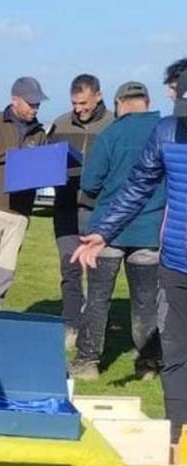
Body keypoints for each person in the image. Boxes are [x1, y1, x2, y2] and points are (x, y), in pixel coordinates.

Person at [75, 67, 187, 444]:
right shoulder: (166, 132)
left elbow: (103, 184)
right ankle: (178, 443)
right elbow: (138, 186)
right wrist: (103, 231)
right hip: (174, 260)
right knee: (176, 352)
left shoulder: (127, 131)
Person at [69, 82, 164, 381]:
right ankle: (148, 364)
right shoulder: (168, 133)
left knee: (97, 298)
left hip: (106, 233)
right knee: (146, 302)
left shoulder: (111, 133)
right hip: (150, 231)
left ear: (119, 103)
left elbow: (90, 183)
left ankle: (88, 363)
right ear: (147, 102)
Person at [0, 76, 49, 309]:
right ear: (15, 100)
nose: (35, 108)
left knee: (5, 273)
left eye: (38, 104)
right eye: (31, 103)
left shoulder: (40, 134)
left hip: (20, 213)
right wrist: (15, 155)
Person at [48, 74, 114, 347]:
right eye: (75, 103)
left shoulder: (113, 125)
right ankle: (70, 324)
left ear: (98, 95)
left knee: (96, 273)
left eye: (84, 103)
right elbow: (46, 160)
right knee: (70, 268)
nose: (79, 108)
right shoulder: (60, 124)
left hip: (97, 210)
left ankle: (93, 330)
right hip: (64, 207)